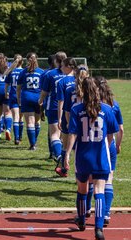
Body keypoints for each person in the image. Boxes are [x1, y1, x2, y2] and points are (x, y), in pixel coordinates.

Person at [64, 76, 119, 240]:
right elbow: (111, 135)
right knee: (99, 191)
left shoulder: (76, 109)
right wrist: (103, 145)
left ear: (82, 90)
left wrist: (67, 153)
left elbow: (72, 134)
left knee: (82, 190)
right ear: (97, 90)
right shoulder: (107, 109)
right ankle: (99, 228)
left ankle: (81, 221)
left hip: (83, 155)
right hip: (100, 155)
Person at [85, 76, 124, 226]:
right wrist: (117, 145)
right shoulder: (114, 105)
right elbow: (120, 129)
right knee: (108, 180)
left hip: (91, 144)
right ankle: (106, 214)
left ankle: (86, 209)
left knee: (89, 179)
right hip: (109, 144)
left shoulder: (91, 105)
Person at [38, 51, 67, 160]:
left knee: (54, 133)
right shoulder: (71, 74)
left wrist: (40, 101)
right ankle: (62, 154)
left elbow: (44, 92)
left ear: (55, 60)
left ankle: (58, 155)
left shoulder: (50, 74)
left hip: (53, 106)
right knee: (65, 133)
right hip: (68, 107)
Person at [54, 57, 78, 177]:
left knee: (65, 143)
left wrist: (59, 118)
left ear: (69, 66)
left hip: (68, 115)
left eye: (63, 65)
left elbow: (61, 102)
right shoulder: (80, 80)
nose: (61, 68)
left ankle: (64, 168)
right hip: (83, 116)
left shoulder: (62, 82)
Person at [17, 52, 44, 149]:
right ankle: (34, 141)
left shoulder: (23, 72)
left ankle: (32, 144)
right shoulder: (42, 72)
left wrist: (18, 99)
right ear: (37, 59)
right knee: (37, 122)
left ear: (27, 60)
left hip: (26, 97)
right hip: (38, 98)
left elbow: (18, 88)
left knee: (30, 122)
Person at [5, 54, 24, 144]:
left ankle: (16, 138)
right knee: (21, 117)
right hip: (22, 96)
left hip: (13, 95)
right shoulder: (24, 71)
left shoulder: (11, 71)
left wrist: (6, 93)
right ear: (22, 62)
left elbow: (7, 84)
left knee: (15, 117)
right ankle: (20, 136)